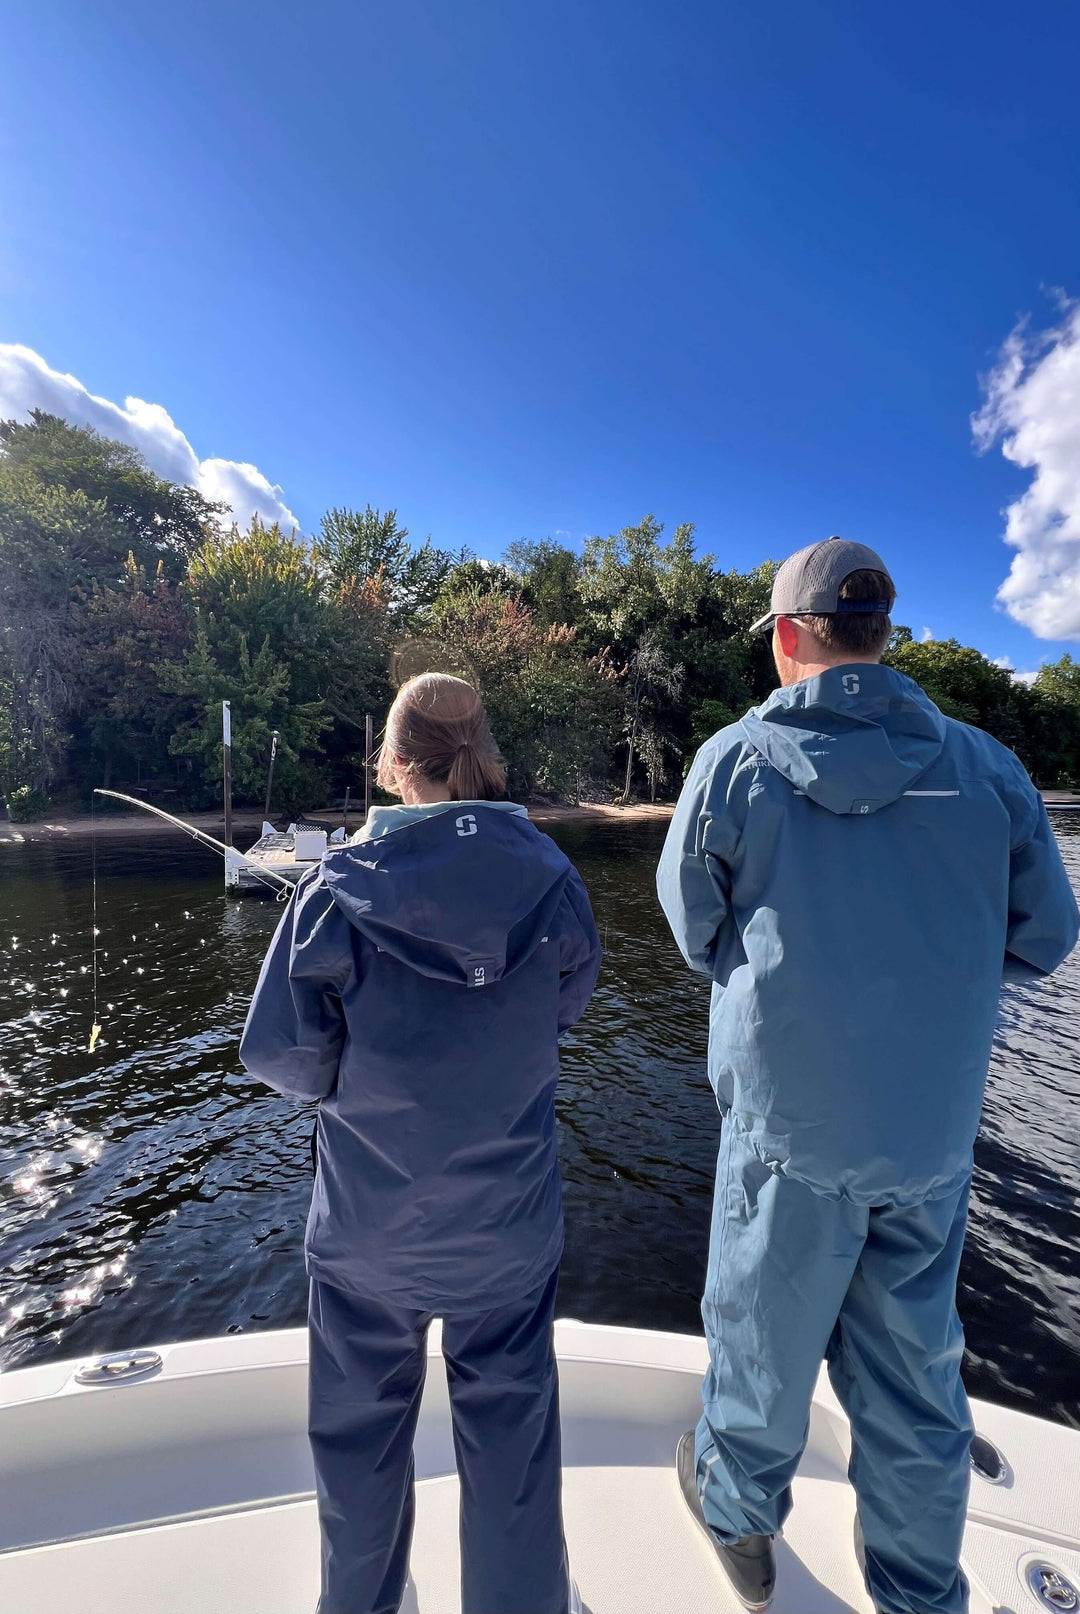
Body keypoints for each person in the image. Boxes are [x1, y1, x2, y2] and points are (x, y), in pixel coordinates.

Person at [656, 537, 1079, 1614]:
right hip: (928, 1137)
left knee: (759, 1339)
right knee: (915, 1377)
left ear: (791, 638)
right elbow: (1045, 938)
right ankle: (919, 1591)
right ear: (880, 637)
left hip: (787, 1127)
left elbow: (694, 930)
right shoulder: (991, 769)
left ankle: (741, 1525)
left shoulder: (735, 764)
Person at [240, 672, 601, 1614]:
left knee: (359, 1454)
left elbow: (284, 1057)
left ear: (395, 763)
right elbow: (564, 1008)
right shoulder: (555, 881)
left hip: (368, 1237)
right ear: (482, 756)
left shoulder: (331, 890)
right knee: (513, 1450)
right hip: (508, 1237)